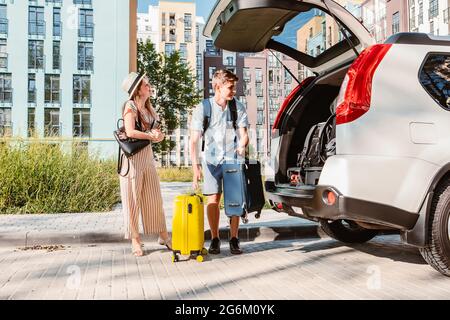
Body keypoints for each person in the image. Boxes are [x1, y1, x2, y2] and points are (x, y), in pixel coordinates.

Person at [190, 69, 249, 255]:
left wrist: (242, 146)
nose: (234, 91)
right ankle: (215, 238)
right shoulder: (203, 108)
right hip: (211, 161)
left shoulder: (237, 107)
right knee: (213, 200)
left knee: (233, 201)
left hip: (232, 161)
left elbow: (244, 134)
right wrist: (195, 167)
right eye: (230, 87)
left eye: (234, 87)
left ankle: (233, 238)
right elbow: (194, 140)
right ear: (218, 87)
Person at [119, 72, 172, 257]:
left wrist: (159, 136)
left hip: (147, 159)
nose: (149, 87)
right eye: (146, 85)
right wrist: (151, 135)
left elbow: (157, 133)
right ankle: (135, 240)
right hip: (132, 161)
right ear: (137, 89)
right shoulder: (130, 106)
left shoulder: (150, 109)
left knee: (154, 199)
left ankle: (163, 235)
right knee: (132, 201)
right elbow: (130, 131)